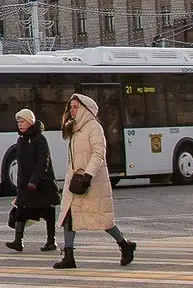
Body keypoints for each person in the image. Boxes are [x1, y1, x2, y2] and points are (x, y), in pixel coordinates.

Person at [54, 93, 137, 270]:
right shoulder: (74, 128)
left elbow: (99, 153)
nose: (72, 110)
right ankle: (69, 256)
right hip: (75, 180)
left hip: (91, 181)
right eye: (71, 107)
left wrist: (88, 176)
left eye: (76, 107)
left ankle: (124, 244)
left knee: (102, 219)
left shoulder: (93, 127)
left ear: (85, 108)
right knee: (69, 215)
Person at [5, 108, 58, 252]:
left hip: (41, 184)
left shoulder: (40, 139)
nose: (20, 125)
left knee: (47, 212)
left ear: (30, 122)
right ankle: (18, 241)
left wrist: (34, 181)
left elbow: (43, 162)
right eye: (18, 122)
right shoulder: (21, 140)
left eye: (22, 121)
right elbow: (21, 167)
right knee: (21, 210)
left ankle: (51, 241)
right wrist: (20, 188)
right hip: (25, 186)